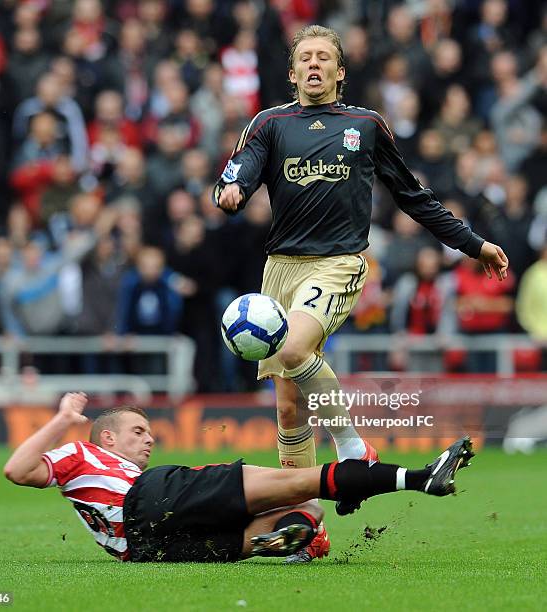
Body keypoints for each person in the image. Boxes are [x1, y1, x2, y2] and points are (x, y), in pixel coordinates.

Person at [213, 24, 508, 561]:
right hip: (280, 270)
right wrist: (230, 189)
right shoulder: (270, 122)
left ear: (341, 72)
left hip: (339, 263)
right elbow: (241, 169)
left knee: (293, 349)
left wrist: (474, 244)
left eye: (325, 57)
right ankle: (307, 526)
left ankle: (352, 445)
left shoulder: (365, 126)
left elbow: (414, 198)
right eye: (305, 58)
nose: (315, 65)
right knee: (288, 411)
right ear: (292, 71)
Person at [3, 392, 474, 563]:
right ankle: (418, 477)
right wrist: (64, 418)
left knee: (304, 510)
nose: (149, 440)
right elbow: (17, 469)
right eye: (138, 431)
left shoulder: (105, 474)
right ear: (105, 438)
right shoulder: (81, 453)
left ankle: (294, 534)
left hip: (143, 551)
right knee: (302, 481)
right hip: (150, 499)